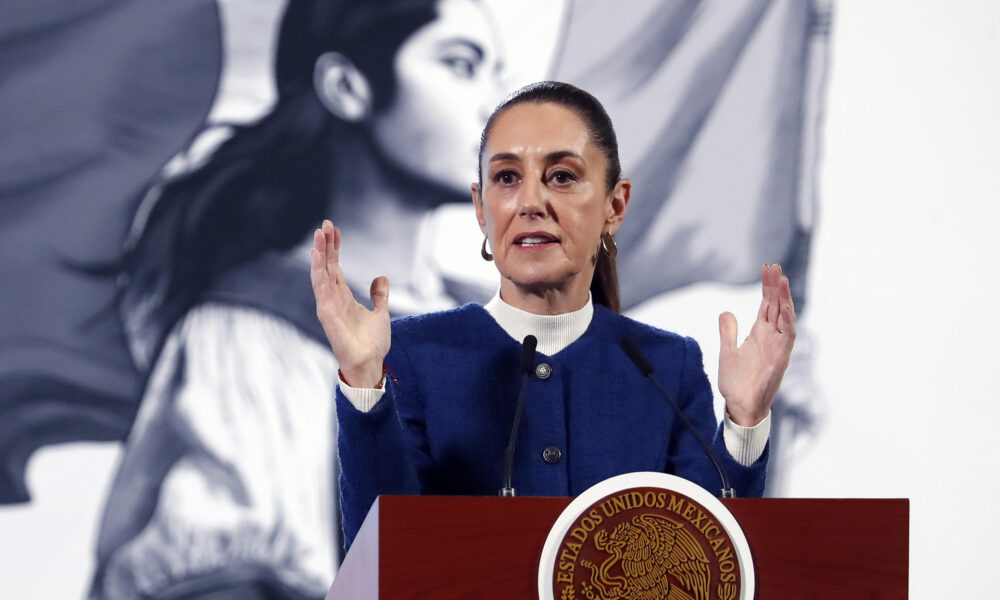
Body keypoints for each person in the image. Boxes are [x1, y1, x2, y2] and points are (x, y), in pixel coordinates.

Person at [90, 1, 503, 598]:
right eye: (460, 65)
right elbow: (224, 579)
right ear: (347, 87)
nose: (499, 107)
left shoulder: (498, 325)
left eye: (496, 72)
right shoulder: (256, 326)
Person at [310, 81, 796, 549]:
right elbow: (378, 554)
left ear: (615, 205)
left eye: (562, 176)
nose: (530, 203)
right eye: (506, 178)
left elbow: (710, 557)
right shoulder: (413, 356)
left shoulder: (666, 367)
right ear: (482, 209)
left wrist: (744, 421)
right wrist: (363, 383)